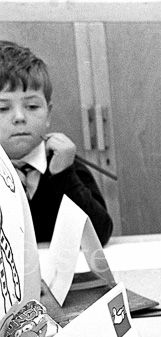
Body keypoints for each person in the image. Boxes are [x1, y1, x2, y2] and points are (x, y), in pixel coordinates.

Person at [0, 41, 113, 245]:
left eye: (32, 106)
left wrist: (64, 176)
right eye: (2, 109)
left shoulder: (64, 164)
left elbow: (100, 234)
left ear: (48, 113)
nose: (19, 117)